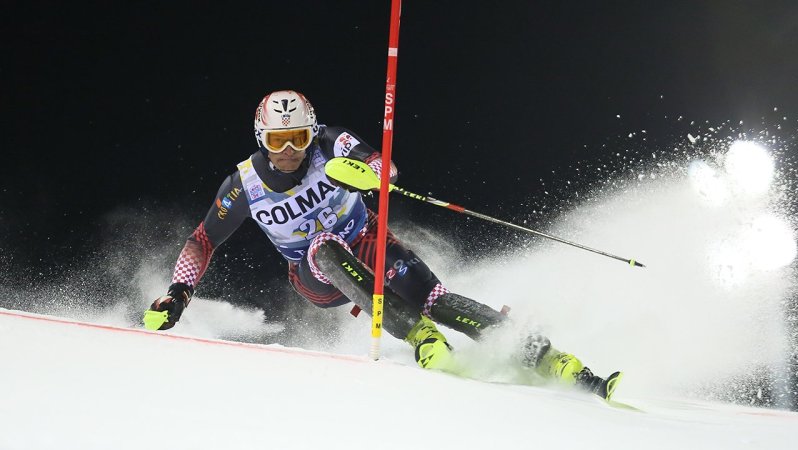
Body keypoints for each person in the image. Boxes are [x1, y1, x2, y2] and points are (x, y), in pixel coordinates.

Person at [144, 89, 619, 399]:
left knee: (434, 297)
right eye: (278, 140)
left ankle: (553, 360)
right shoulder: (242, 185)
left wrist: (375, 175)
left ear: (311, 132)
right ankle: (418, 336)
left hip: (369, 238)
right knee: (321, 243)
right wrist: (179, 294)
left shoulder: (329, 142)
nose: (290, 151)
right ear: (261, 138)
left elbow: (381, 163)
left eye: (298, 139)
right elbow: (204, 240)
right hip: (315, 276)